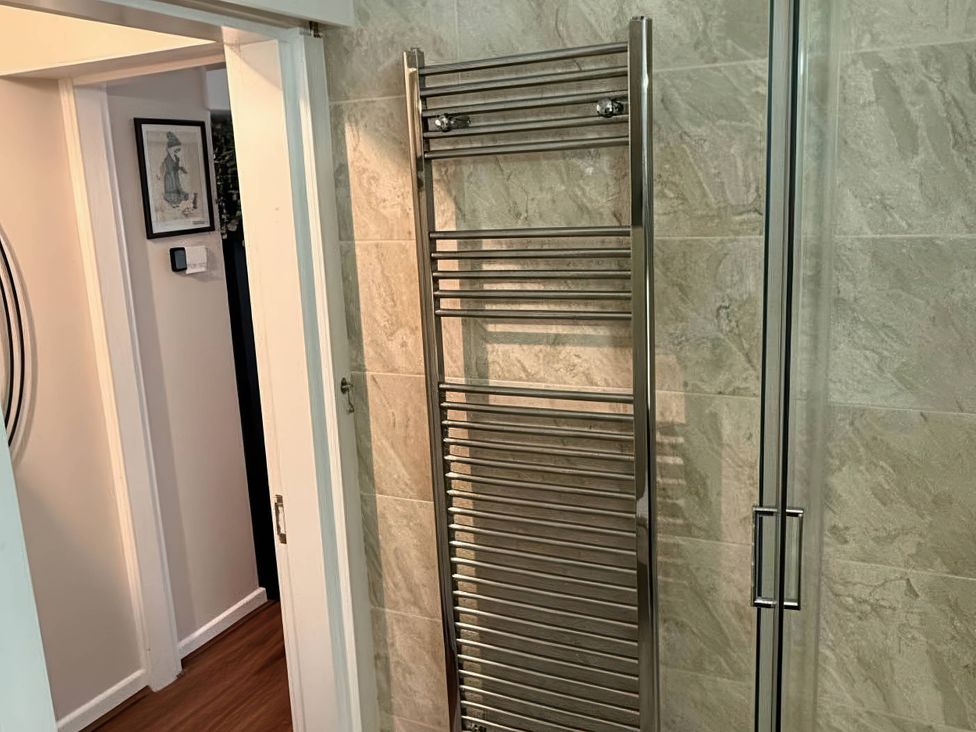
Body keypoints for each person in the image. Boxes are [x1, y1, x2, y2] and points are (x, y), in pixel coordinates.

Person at [161, 131, 190, 207]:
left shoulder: (177, 158)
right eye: (175, 149)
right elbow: (170, 168)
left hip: (175, 175)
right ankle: (172, 202)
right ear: (169, 149)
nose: (177, 151)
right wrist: (178, 169)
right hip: (170, 177)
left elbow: (176, 167)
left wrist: (181, 169)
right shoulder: (167, 159)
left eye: (178, 150)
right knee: (172, 187)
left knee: (178, 186)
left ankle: (177, 202)